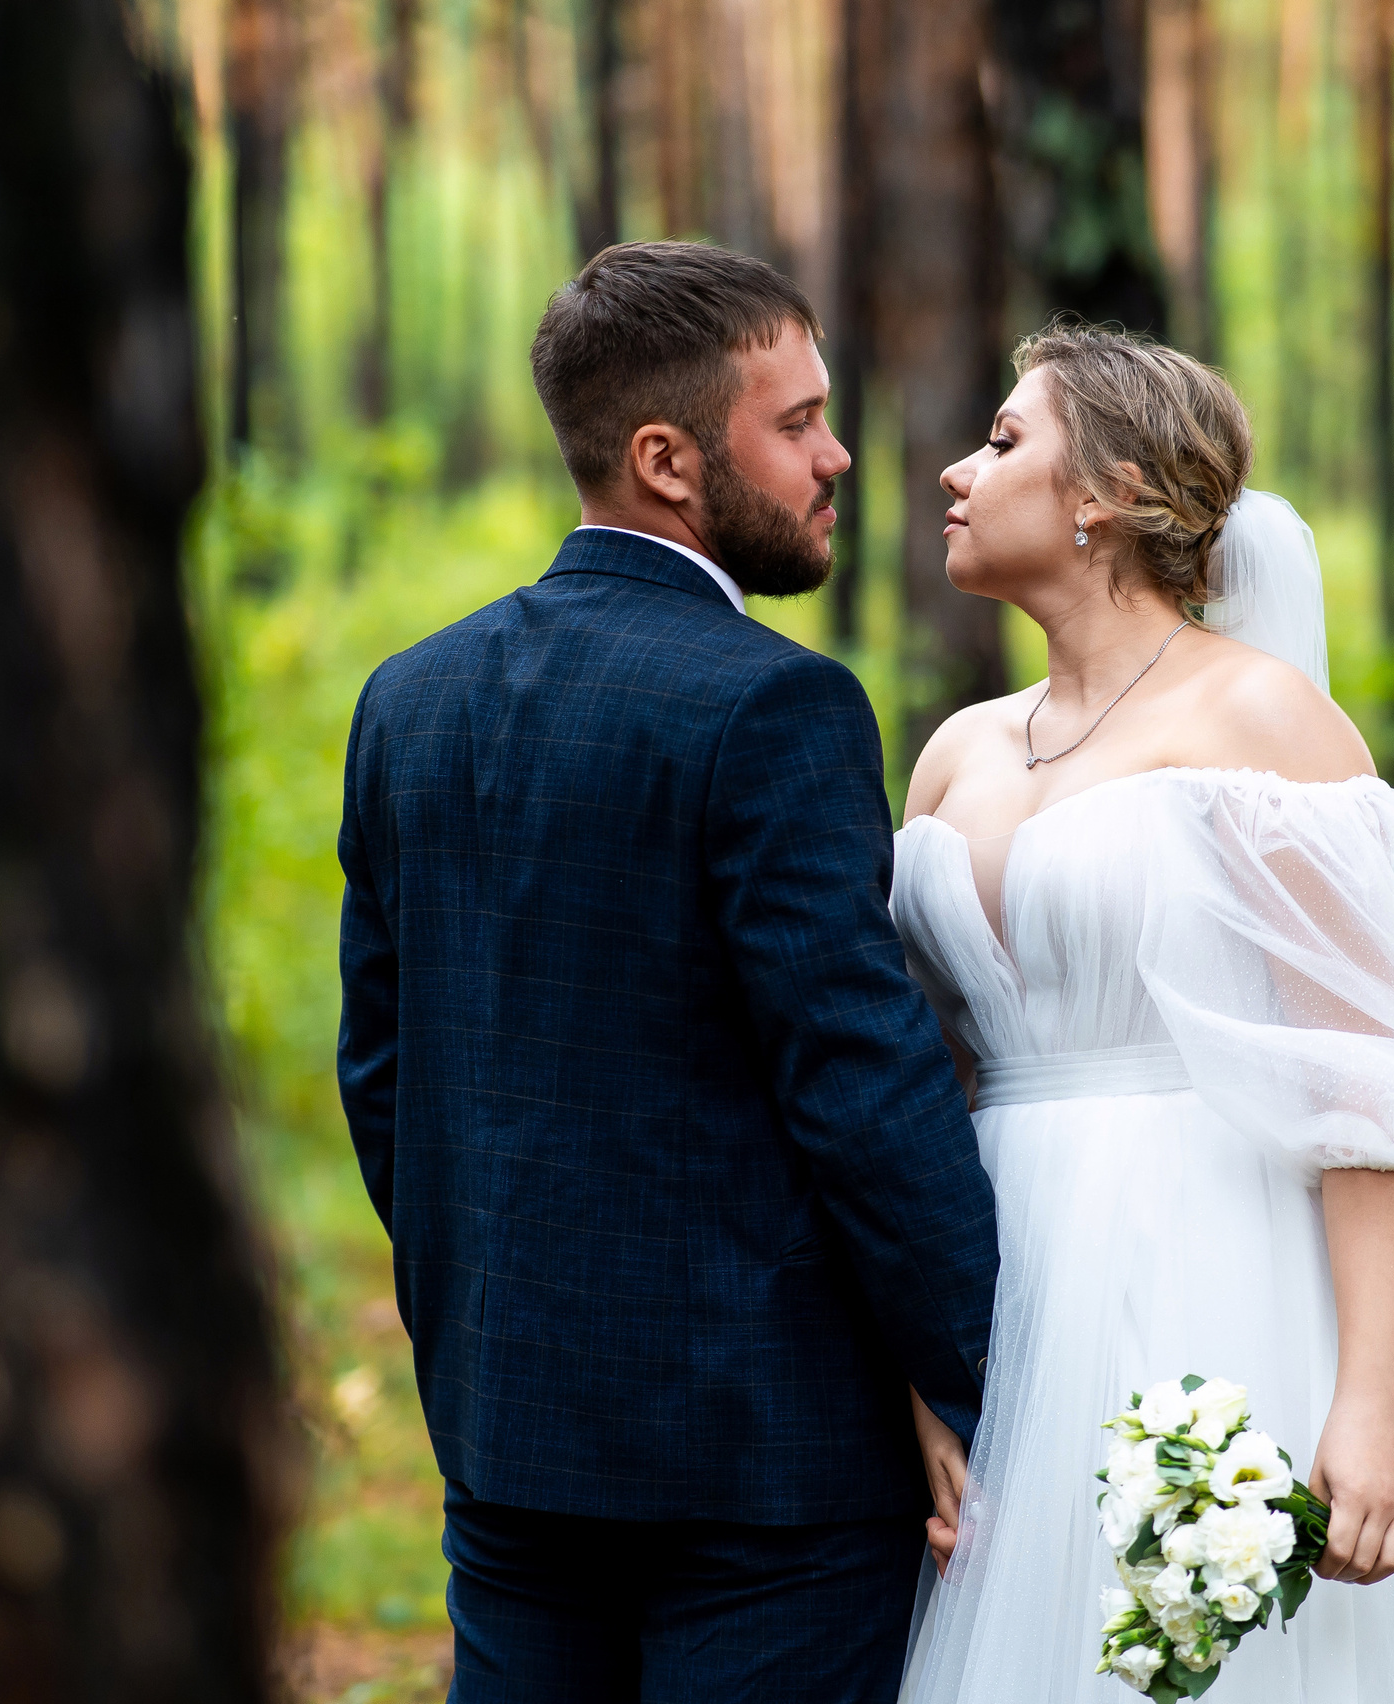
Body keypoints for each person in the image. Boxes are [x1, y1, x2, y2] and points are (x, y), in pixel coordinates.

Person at [336, 241, 999, 1704]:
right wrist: (978, 1376)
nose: (838, 458)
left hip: (508, 1435)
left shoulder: (408, 703)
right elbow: (859, 1085)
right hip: (767, 1473)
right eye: (797, 422)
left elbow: (383, 1077)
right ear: (666, 459)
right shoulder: (775, 708)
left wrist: (493, 1303)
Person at [892, 325, 1394, 1702]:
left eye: (1005, 440)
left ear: (1104, 492)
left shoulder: (1266, 721)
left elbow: (1367, 1078)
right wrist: (922, 1374)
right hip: (997, 1276)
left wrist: (1373, 1404)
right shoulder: (955, 751)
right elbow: (913, 1078)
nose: (956, 475)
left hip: (1214, 1256)